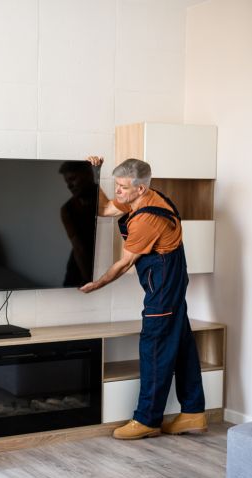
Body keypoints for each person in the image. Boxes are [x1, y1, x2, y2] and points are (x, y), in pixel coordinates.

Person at [79, 156, 207, 440]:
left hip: (163, 283)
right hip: (168, 278)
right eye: (117, 185)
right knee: (181, 343)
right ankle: (193, 412)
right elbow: (103, 208)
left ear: (140, 189)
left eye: (123, 187)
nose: (119, 192)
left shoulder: (147, 218)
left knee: (155, 347)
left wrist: (97, 284)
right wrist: (94, 174)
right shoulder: (139, 198)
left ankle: (147, 420)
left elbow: (124, 264)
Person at [59, 160, 97, 287]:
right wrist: (87, 279)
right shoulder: (68, 209)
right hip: (80, 266)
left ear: (88, 175)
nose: (69, 185)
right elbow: (78, 247)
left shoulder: (106, 196)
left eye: (72, 179)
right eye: (67, 182)